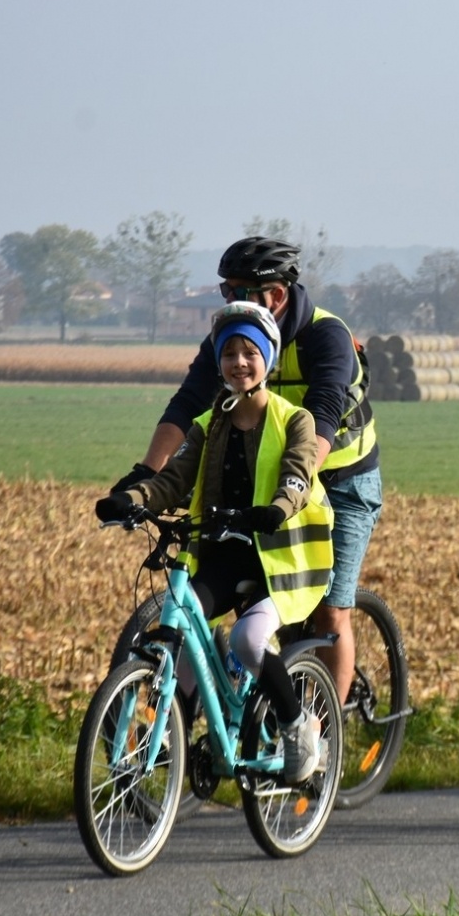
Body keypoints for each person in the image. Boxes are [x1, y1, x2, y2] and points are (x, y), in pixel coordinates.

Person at [113, 236, 380, 700]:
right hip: (269, 478)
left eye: (238, 290)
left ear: (275, 295)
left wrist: (294, 491)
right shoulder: (235, 338)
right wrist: (145, 474)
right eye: (226, 290)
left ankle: (321, 738)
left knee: (329, 609)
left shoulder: (325, 335)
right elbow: (188, 404)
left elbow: (322, 413)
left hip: (341, 479)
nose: (230, 299)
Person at [95, 302, 335, 782]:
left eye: (250, 353)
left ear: (267, 359)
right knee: (180, 626)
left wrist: (276, 509)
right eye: (229, 354)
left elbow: (297, 476)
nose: (239, 364)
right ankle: (172, 730)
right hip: (225, 553)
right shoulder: (209, 424)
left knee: (249, 639)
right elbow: (174, 480)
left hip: (281, 558)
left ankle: (297, 727)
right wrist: (132, 498)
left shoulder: (295, 421)